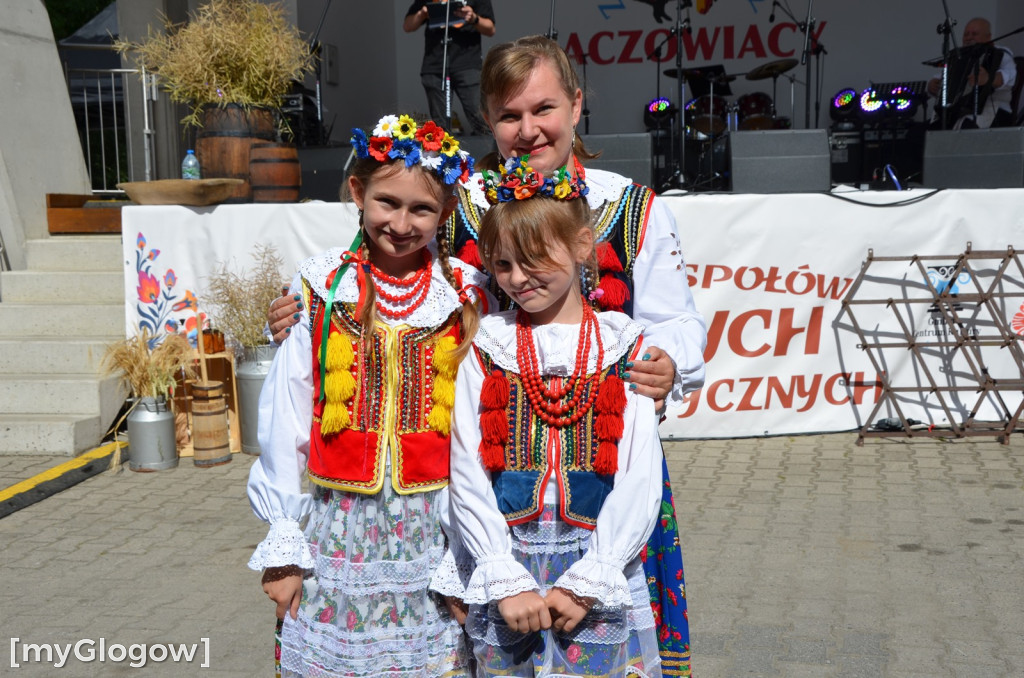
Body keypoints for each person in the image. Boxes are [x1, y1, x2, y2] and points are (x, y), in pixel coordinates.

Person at [268, 36, 706, 676]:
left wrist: (665, 359)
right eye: (509, 115)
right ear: (488, 120)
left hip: (604, 470)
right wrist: (301, 309)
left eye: (543, 109)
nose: (527, 130)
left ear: (577, 106)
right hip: (482, 478)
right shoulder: (457, 200)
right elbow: (378, 272)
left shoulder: (630, 207)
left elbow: (680, 324)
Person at [247, 113, 489, 677]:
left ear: (446, 212)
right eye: (387, 202)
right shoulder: (324, 287)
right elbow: (285, 416)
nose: (401, 223)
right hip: (338, 522)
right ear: (358, 192)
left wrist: (469, 555)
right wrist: (284, 545)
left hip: (434, 528)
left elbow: (477, 427)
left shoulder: (464, 294)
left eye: (422, 209)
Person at [443, 154, 664, 675]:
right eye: (502, 264)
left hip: (595, 559)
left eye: (534, 258)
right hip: (507, 558)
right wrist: (501, 572)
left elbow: (639, 471)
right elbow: (466, 467)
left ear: (583, 246)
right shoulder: (490, 344)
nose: (518, 278)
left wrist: (596, 574)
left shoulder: (622, 344)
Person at [404, 0, 495, 136]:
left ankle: (489, 155)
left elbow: (490, 29)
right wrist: (422, 13)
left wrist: (473, 18)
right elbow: (408, 26)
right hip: (435, 64)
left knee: (481, 119)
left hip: (467, 63)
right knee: (439, 127)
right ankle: (444, 155)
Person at [927, 17, 1017, 129]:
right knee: (921, 131)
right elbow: (942, 78)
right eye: (966, 34)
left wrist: (988, 79)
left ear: (988, 37)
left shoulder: (1001, 54)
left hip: (995, 111)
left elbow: (1011, 77)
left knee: (966, 128)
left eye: (974, 34)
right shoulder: (958, 57)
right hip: (958, 113)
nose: (969, 38)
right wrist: (932, 85)